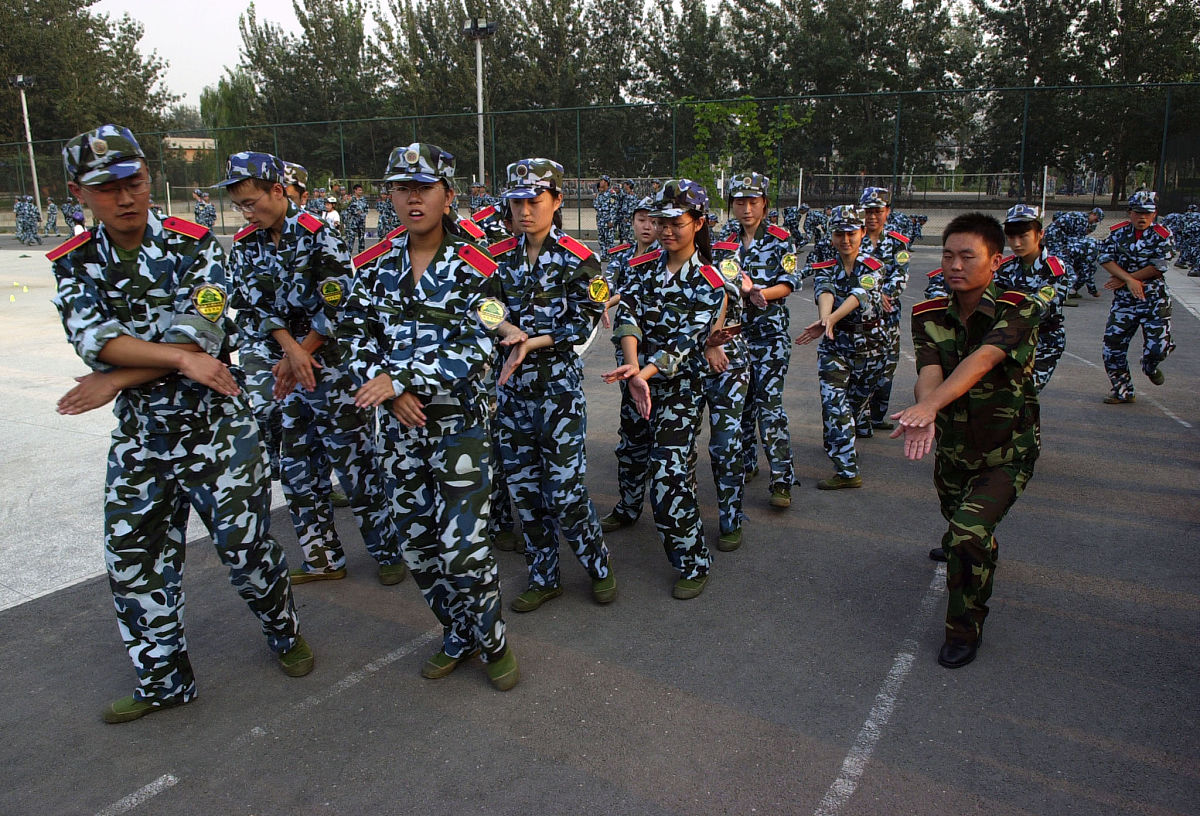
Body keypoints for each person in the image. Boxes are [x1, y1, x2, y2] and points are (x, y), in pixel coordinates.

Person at [49, 124, 311, 723]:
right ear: (78, 193)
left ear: (149, 178)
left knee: (246, 551)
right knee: (132, 560)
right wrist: (179, 360)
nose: (125, 197)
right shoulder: (75, 261)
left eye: (135, 181)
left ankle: (283, 630)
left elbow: (203, 331)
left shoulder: (193, 244)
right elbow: (95, 342)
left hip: (217, 430)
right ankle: (164, 679)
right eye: (107, 187)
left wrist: (119, 377)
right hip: (143, 437)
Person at [340, 142, 518, 690]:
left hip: (459, 427)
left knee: (462, 551)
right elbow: (353, 336)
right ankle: (457, 633)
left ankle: (493, 641)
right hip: (399, 431)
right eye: (402, 188)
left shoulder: (477, 265)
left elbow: (479, 345)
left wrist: (403, 379)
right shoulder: (372, 265)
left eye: (424, 188)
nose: (412, 199)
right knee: (418, 546)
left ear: (448, 194)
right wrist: (390, 392)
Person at [218, 151, 407, 587]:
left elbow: (339, 305)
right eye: (240, 206)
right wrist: (290, 353)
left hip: (333, 372)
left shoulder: (320, 236)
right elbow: (250, 306)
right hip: (286, 373)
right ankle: (323, 557)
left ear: (277, 191)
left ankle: (387, 552)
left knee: (356, 467)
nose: (246, 213)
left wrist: (300, 353)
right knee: (298, 471)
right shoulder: (246, 244)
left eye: (251, 203)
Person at [891, 212, 1048, 669]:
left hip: (1007, 450)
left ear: (996, 260)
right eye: (947, 255)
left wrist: (930, 407)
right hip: (955, 448)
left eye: (967, 256)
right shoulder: (927, 314)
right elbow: (929, 370)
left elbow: (982, 359)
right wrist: (925, 410)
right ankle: (972, 547)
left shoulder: (1020, 307)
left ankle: (964, 630)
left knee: (967, 534)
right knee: (959, 527)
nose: (955, 265)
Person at [490, 158, 615, 612]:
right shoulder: (497, 257)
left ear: (557, 200)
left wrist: (531, 341)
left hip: (557, 392)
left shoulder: (579, 259)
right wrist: (507, 330)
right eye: (517, 202)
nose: (525, 211)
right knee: (524, 491)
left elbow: (585, 321)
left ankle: (598, 564)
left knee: (564, 491)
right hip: (511, 393)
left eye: (535, 200)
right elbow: (483, 305)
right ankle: (544, 577)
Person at [603, 179, 727, 599]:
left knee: (669, 477)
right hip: (636, 381)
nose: (667, 230)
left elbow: (688, 340)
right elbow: (628, 316)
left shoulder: (709, 280)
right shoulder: (640, 268)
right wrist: (633, 365)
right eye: (661, 222)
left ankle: (693, 561)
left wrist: (647, 372)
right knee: (630, 451)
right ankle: (627, 508)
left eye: (677, 222)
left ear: (699, 223)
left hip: (678, 391)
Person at [715, 172, 798, 507]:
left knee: (769, 406)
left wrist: (757, 293)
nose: (746, 209)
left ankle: (782, 480)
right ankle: (747, 463)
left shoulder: (781, 239)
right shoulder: (724, 239)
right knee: (742, 406)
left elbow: (789, 282)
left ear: (764, 203)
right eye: (740, 202)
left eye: (753, 202)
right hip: (736, 337)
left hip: (770, 336)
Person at [795, 205, 887, 489]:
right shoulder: (826, 267)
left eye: (851, 233)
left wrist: (831, 319)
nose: (845, 239)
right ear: (832, 236)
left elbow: (859, 295)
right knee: (835, 404)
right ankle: (847, 470)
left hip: (870, 346)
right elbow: (825, 291)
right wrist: (826, 320)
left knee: (856, 404)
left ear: (862, 232)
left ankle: (841, 437)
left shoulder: (874, 266)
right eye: (839, 234)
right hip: (835, 345)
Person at [599, 197, 660, 534]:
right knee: (632, 433)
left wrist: (611, 300)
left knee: (666, 442)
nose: (647, 226)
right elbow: (608, 288)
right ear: (632, 222)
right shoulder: (622, 256)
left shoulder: (667, 257)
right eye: (641, 219)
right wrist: (600, 300)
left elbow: (626, 295)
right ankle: (628, 506)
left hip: (663, 360)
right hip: (629, 358)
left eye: (653, 220)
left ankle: (673, 513)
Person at [1098, 191, 1176, 403]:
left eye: (1148, 213)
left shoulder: (1162, 234)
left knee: (1157, 349)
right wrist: (1128, 280)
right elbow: (1105, 258)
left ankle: (1150, 366)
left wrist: (1128, 279)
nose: (1142, 217)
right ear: (1130, 212)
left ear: (1154, 214)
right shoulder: (1118, 233)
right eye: (1138, 212)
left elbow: (1158, 267)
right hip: (1125, 301)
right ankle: (1123, 391)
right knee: (1112, 348)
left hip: (1154, 299)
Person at [995, 205, 1071, 392]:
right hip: (1011, 339)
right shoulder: (1006, 267)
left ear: (1040, 234)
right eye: (1011, 237)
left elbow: (1041, 305)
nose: (1016, 243)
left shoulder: (1053, 267)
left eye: (1023, 236)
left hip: (1044, 341)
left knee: (1025, 392)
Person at [856, 187, 911, 436]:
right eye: (867, 211)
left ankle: (877, 415)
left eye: (877, 211)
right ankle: (860, 418)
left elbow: (900, 275)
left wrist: (884, 295)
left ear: (887, 211)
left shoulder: (898, 242)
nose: (872, 217)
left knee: (886, 366)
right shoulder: (853, 239)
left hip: (888, 316)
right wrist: (875, 297)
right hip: (860, 315)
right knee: (862, 367)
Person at [594, 175, 619, 254]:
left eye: (602, 181)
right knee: (601, 239)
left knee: (609, 240)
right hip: (600, 220)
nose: (600, 182)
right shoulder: (599, 194)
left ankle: (611, 256)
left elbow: (614, 208)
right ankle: (604, 256)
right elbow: (595, 206)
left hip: (608, 221)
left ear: (606, 183)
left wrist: (611, 220)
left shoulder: (612, 194)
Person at [344, 184, 369, 255]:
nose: (361, 191)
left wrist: (362, 214)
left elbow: (367, 209)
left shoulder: (364, 199)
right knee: (351, 238)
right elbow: (347, 209)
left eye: (361, 190)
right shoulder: (351, 199)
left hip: (361, 221)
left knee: (361, 238)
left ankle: (361, 253)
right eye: (359, 190)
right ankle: (349, 254)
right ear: (355, 190)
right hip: (353, 221)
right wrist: (355, 212)